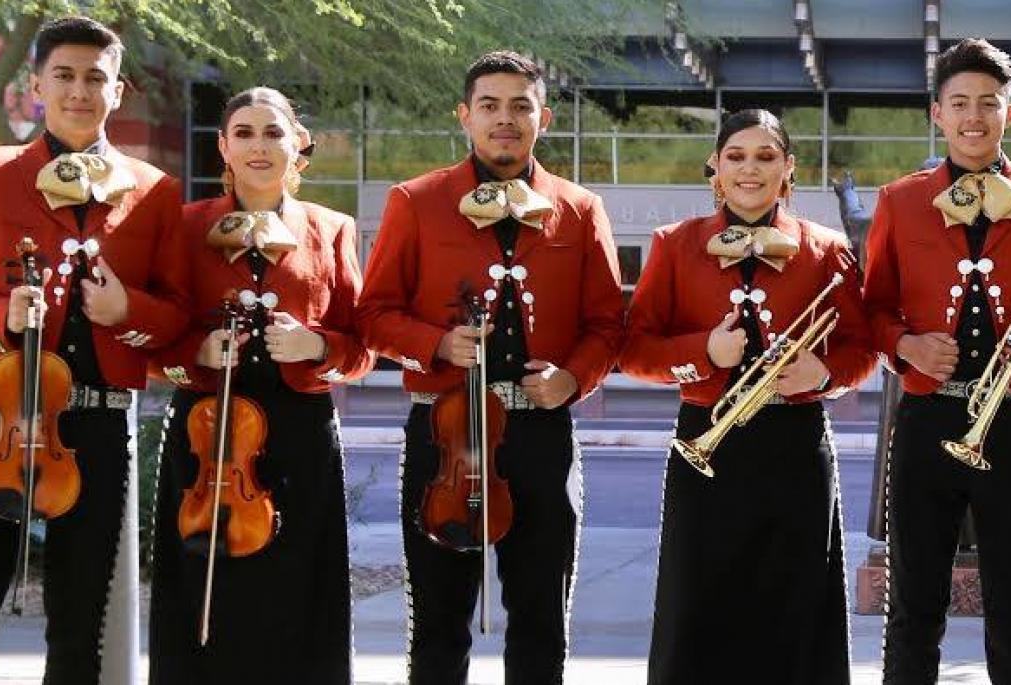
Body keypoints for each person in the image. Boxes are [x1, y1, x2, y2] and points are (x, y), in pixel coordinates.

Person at [0, 16, 188, 684]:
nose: (78, 91)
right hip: (1, 423)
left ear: (117, 91)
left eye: (95, 78)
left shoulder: (155, 191)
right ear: (36, 85)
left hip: (98, 428)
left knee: (77, 634)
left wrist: (129, 311)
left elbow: (177, 314)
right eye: (63, 76)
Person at [352, 50, 625, 685]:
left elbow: (608, 326)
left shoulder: (580, 209)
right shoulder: (416, 201)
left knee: (540, 618)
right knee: (439, 622)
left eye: (520, 106)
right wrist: (434, 343)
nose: (506, 119)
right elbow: (373, 314)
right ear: (465, 116)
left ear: (544, 118)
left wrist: (572, 379)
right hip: (445, 433)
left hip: (541, 436)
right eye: (491, 106)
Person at [861, 37, 1011, 685]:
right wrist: (907, 345)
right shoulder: (899, 200)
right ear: (936, 113)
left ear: (1010, 113)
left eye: (988, 104)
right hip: (926, 419)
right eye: (959, 103)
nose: (973, 117)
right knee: (913, 604)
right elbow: (872, 309)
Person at [620, 108, 873, 684]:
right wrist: (703, 351)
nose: (750, 169)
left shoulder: (827, 249)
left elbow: (862, 349)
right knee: (701, 608)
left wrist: (825, 375)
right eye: (736, 156)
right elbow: (633, 350)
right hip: (705, 446)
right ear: (716, 168)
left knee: (795, 609)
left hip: (795, 448)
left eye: (765, 156)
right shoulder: (675, 245)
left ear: (789, 169)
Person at [144, 86, 371, 684]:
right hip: (206, 437)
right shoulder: (184, 225)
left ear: (298, 145)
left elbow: (365, 348)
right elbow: (147, 337)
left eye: (274, 132)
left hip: (301, 435)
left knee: (296, 598)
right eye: (243, 133)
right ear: (223, 147)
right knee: (202, 595)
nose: (259, 145)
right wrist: (195, 351)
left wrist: (319, 346)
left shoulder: (333, 229)